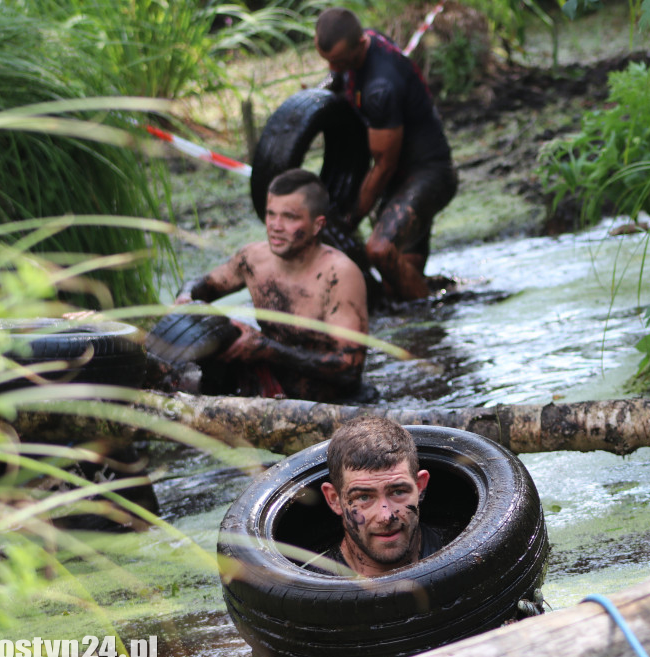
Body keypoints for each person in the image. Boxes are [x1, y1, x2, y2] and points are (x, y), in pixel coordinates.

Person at [174, 168, 368, 402]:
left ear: (317, 225)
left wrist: (267, 348)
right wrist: (185, 298)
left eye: (290, 217)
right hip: (270, 393)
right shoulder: (253, 259)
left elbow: (349, 368)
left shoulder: (339, 275)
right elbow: (199, 288)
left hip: (331, 402)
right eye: (270, 214)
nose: (276, 226)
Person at [315, 7, 458, 301]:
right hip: (401, 177)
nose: (334, 68)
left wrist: (350, 219)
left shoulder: (380, 89)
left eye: (340, 62)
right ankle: (426, 337)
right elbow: (339, 84)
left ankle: (430, 317)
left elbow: (384, 165)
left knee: (380, 250)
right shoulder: (363, 45)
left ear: (360, 45)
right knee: (400, 280)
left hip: (428, 174)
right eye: (328, 62)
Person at [319, 416, 444, 576]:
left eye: (398, 492)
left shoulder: (458, 547)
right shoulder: (308, 585)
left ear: (419, 486)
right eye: (364, 497)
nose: (386, 517)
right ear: (334, 500)